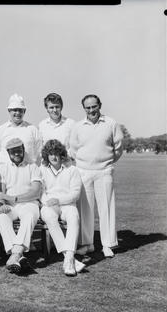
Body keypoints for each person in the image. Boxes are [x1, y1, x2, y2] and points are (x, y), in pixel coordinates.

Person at [69, 94, 124, 258]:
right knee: (85, 209)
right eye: (88, 107)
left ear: (99, 105)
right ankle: (88, 244)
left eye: (94, 106)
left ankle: (108, 244)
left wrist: (105, 164)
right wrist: (85, 164)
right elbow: (73, 150)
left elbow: (118, 149)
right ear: (84, 109)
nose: (91, 110)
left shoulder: (111, 123)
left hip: (104, 171)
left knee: (106, 207)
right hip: (83, 171)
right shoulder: (78, 126)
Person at [39, 139, 85, 276]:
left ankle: (69, 258)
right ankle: (69, 259)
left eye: (57, 153)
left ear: (62, 154)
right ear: (46, 155)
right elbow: (40, 192)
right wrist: (48, 202)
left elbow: (75, 194)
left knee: (74, 217)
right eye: (50, 154)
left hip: (67, 204)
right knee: (48, 216)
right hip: (49, 205)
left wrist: (58, 200)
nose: (54, 157)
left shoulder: (72, 170)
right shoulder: (41, 170)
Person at [0, 138, 42, 274]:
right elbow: (1, 194)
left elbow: (35, 192)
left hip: (29, 204)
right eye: (13, 151)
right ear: (8, 152)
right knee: (1, 218)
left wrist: (13, 198)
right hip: (11, 206)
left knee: (28, 216)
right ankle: (18, 256)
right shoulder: (3, 168)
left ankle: (15, 254)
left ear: (23, 150)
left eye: (19, 150)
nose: (17, 153)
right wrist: (1, 204)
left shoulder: (33, 166)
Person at [0, 94, 42, 166]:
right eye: (15, 110)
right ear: (9, 111)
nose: (18, 113)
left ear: (24, 111)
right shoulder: (0, 131)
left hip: (28, 172)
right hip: (7, 173)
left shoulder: (32, 129)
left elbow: (39, 152)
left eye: (20, 110)